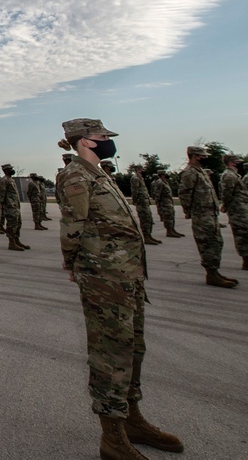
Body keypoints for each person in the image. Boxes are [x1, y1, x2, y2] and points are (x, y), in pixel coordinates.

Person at [56, 118, 183, 459]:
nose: (108, 141)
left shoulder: (100, 174)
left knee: (132, 348)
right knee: (111, 354)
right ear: (84, 141)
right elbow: (73, 226)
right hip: (104, 279)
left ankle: (132, 419)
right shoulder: (75, 175)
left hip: (126, 276)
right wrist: (74, 264)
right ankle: (112, 436)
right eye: (101, 136)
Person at [180, 146, 238, 287]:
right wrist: (188, 210)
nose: (205, 158)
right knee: (207, 244)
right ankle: (211, 275)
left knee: (216, 243)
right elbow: (184, 193)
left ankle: (215, 272)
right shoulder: (189, 172)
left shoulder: (199, 171)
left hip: (210, 214)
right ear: (194, 156)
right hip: (201, 215)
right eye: (202, 156)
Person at [219, 154, 248, 271]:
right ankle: (246, 262)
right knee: (242, 235)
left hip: (242, 208)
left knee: (245, 234)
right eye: (238, 161)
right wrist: (225, 206)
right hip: (237, 210)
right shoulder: (229, 176)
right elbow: (227, 194)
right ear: (232, 163)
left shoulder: (234, 175)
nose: (240, 164)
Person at [0, 164, 29, 250]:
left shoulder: (11, 180)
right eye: (10, 169)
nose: (12, 170)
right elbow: (1, 194)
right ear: (6, 170)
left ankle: (17, 240)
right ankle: (11, 243)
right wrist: (2, 205)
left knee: (18, 223)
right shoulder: (3, 180)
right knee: (12, 224)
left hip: (15, 205)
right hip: (9, 206)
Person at [130, 165, 160, 245]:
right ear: (137, 170)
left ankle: (149, 235)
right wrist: (135, 200)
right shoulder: (135, 178)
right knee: (144, 219)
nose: (143, 170)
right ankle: (145, 237)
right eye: (141, 169)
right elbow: (135, 190)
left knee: (148, 218)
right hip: (141, 202)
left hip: (145, 201)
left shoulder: (141, 178)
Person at [151, 171, 183, 238]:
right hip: (164, 203)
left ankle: (172, 229)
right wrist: (159, 204)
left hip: (169, 202)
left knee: (171, 216)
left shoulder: (165, 182)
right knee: (167, 217)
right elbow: (157, 194)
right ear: (162, 175)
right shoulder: (159, 182)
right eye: (165, 174)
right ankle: (169, 231)